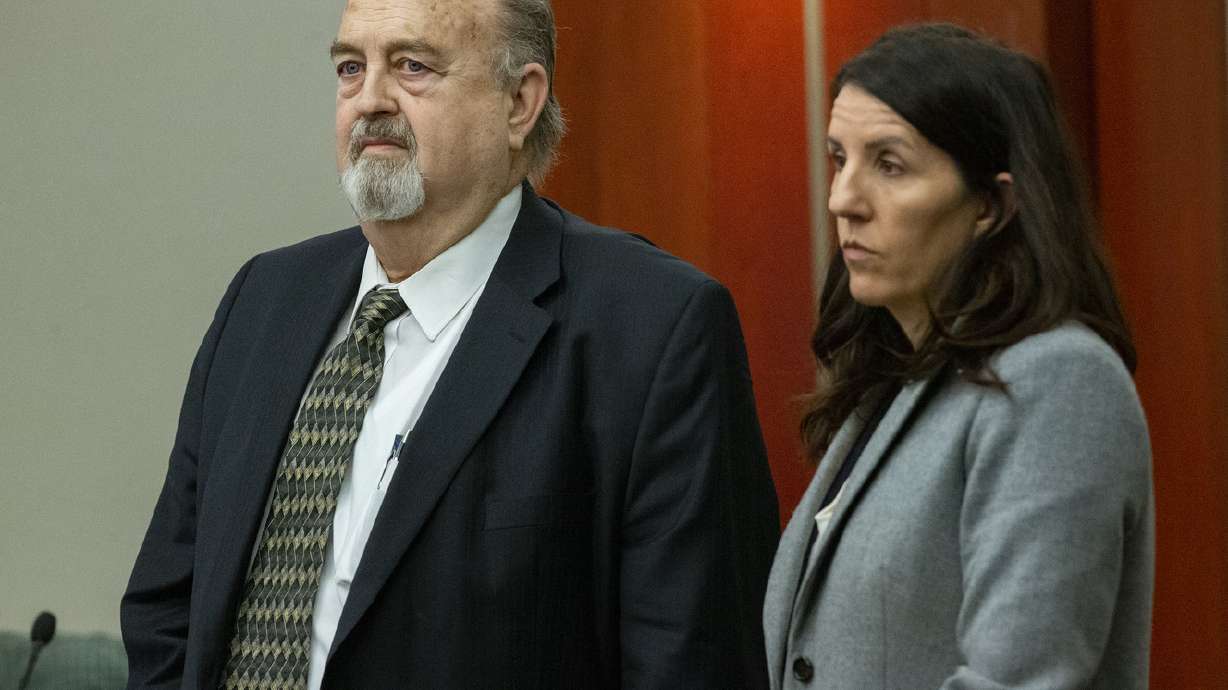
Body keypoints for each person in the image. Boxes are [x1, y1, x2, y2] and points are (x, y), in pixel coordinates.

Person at [121, 1, 780, 688]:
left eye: (413, 66)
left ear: (519, 104)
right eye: (350, 68)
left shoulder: (650, 328)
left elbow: (693, 661)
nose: (370, 99)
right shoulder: (263, 301)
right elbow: (169, 609)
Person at [763, 23, 1153, 690]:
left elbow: (1019, 680)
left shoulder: (1058, 379)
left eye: (889, 164)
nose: (843, 200)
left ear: (991, 205)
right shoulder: (894, 381)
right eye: (839, 158)